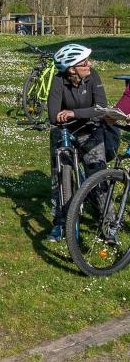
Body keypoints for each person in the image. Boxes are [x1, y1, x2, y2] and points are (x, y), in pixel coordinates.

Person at [46, 43, 111, 242]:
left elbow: (101, 108)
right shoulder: (58, 81)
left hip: (90, 132)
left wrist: (75, 113)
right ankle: (60, 223)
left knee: (99, 175)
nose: (89, 64)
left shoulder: (93, 77)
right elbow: (53, 115)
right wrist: (77, 116)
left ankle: (108, 224)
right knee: (60, 178)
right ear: (72, 68)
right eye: (84, 62)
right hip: (65, 132)